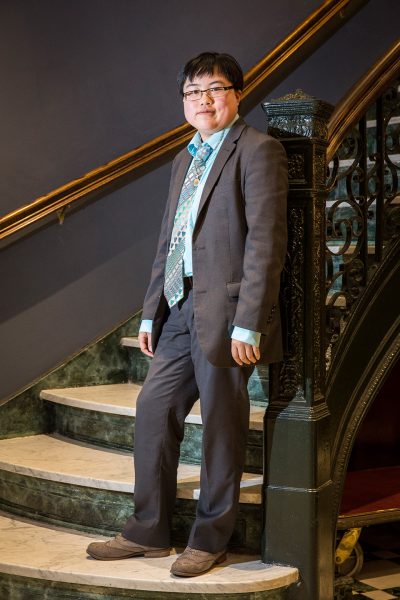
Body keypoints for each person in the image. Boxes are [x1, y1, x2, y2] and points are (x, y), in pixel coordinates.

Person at [87, 51, 288, 577]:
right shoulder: (185, 157)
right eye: (193, 92)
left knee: (222, 426)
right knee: (154, 412)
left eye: (214, 89)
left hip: (226, 314)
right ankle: (147, 531)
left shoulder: (258, 151)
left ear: (237, 94)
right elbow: (170, 242)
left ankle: (209, 538)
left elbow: (267, 243)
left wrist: (250, 322)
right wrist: (151, 311)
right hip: (178, 310)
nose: (203, 100)